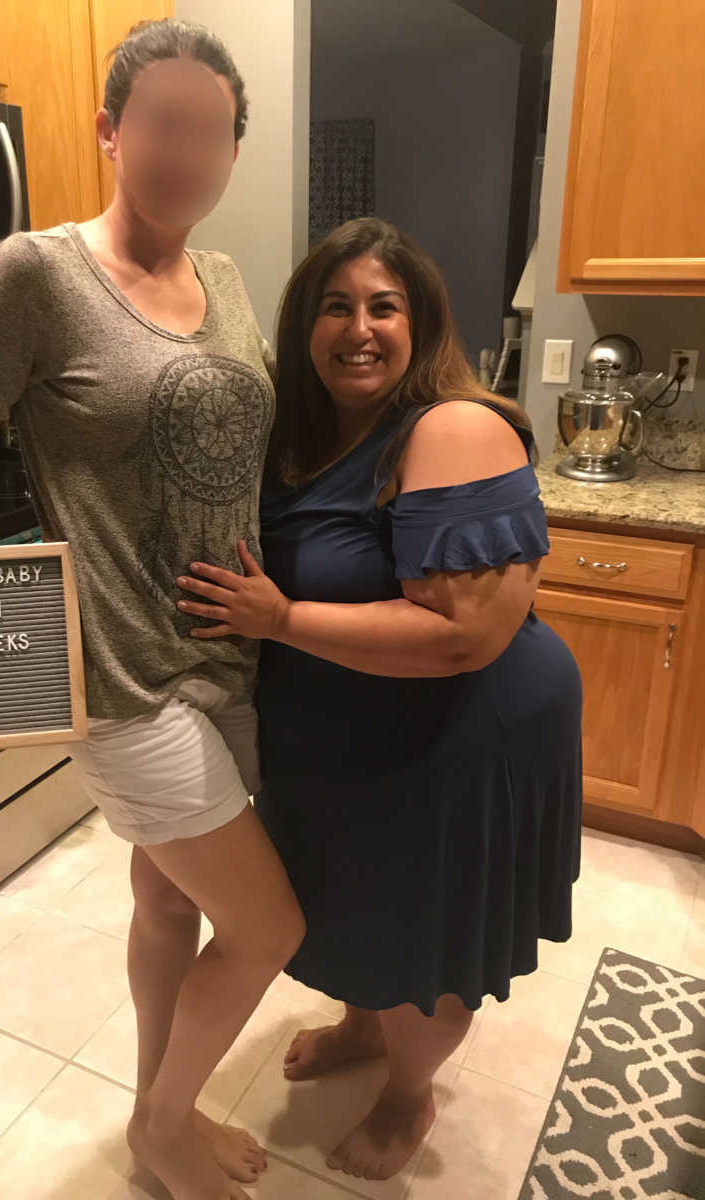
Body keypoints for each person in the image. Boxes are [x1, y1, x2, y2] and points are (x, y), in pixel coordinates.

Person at [0, 19, 305, 1200]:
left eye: (210, 132)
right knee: (268, 931)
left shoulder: (227, 277)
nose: (186, 152)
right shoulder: (38, 274)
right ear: (110, 131)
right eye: (162, 125)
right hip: (123, 677)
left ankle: (166, 1115)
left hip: (228, 661)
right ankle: (164, 1132)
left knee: (163, 898)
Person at [175, 217, 583, 1184]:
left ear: (422, 322)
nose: (359, 328)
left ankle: (410, 1091)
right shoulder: (301, 435)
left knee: (422, 925)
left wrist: (279, 620)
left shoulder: (456, 428)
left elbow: (462, 636)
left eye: (383, 307)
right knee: (346, 905)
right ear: (302, 325)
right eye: (335, 306)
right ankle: (365, 1031)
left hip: (454, 735)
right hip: (341, 733)